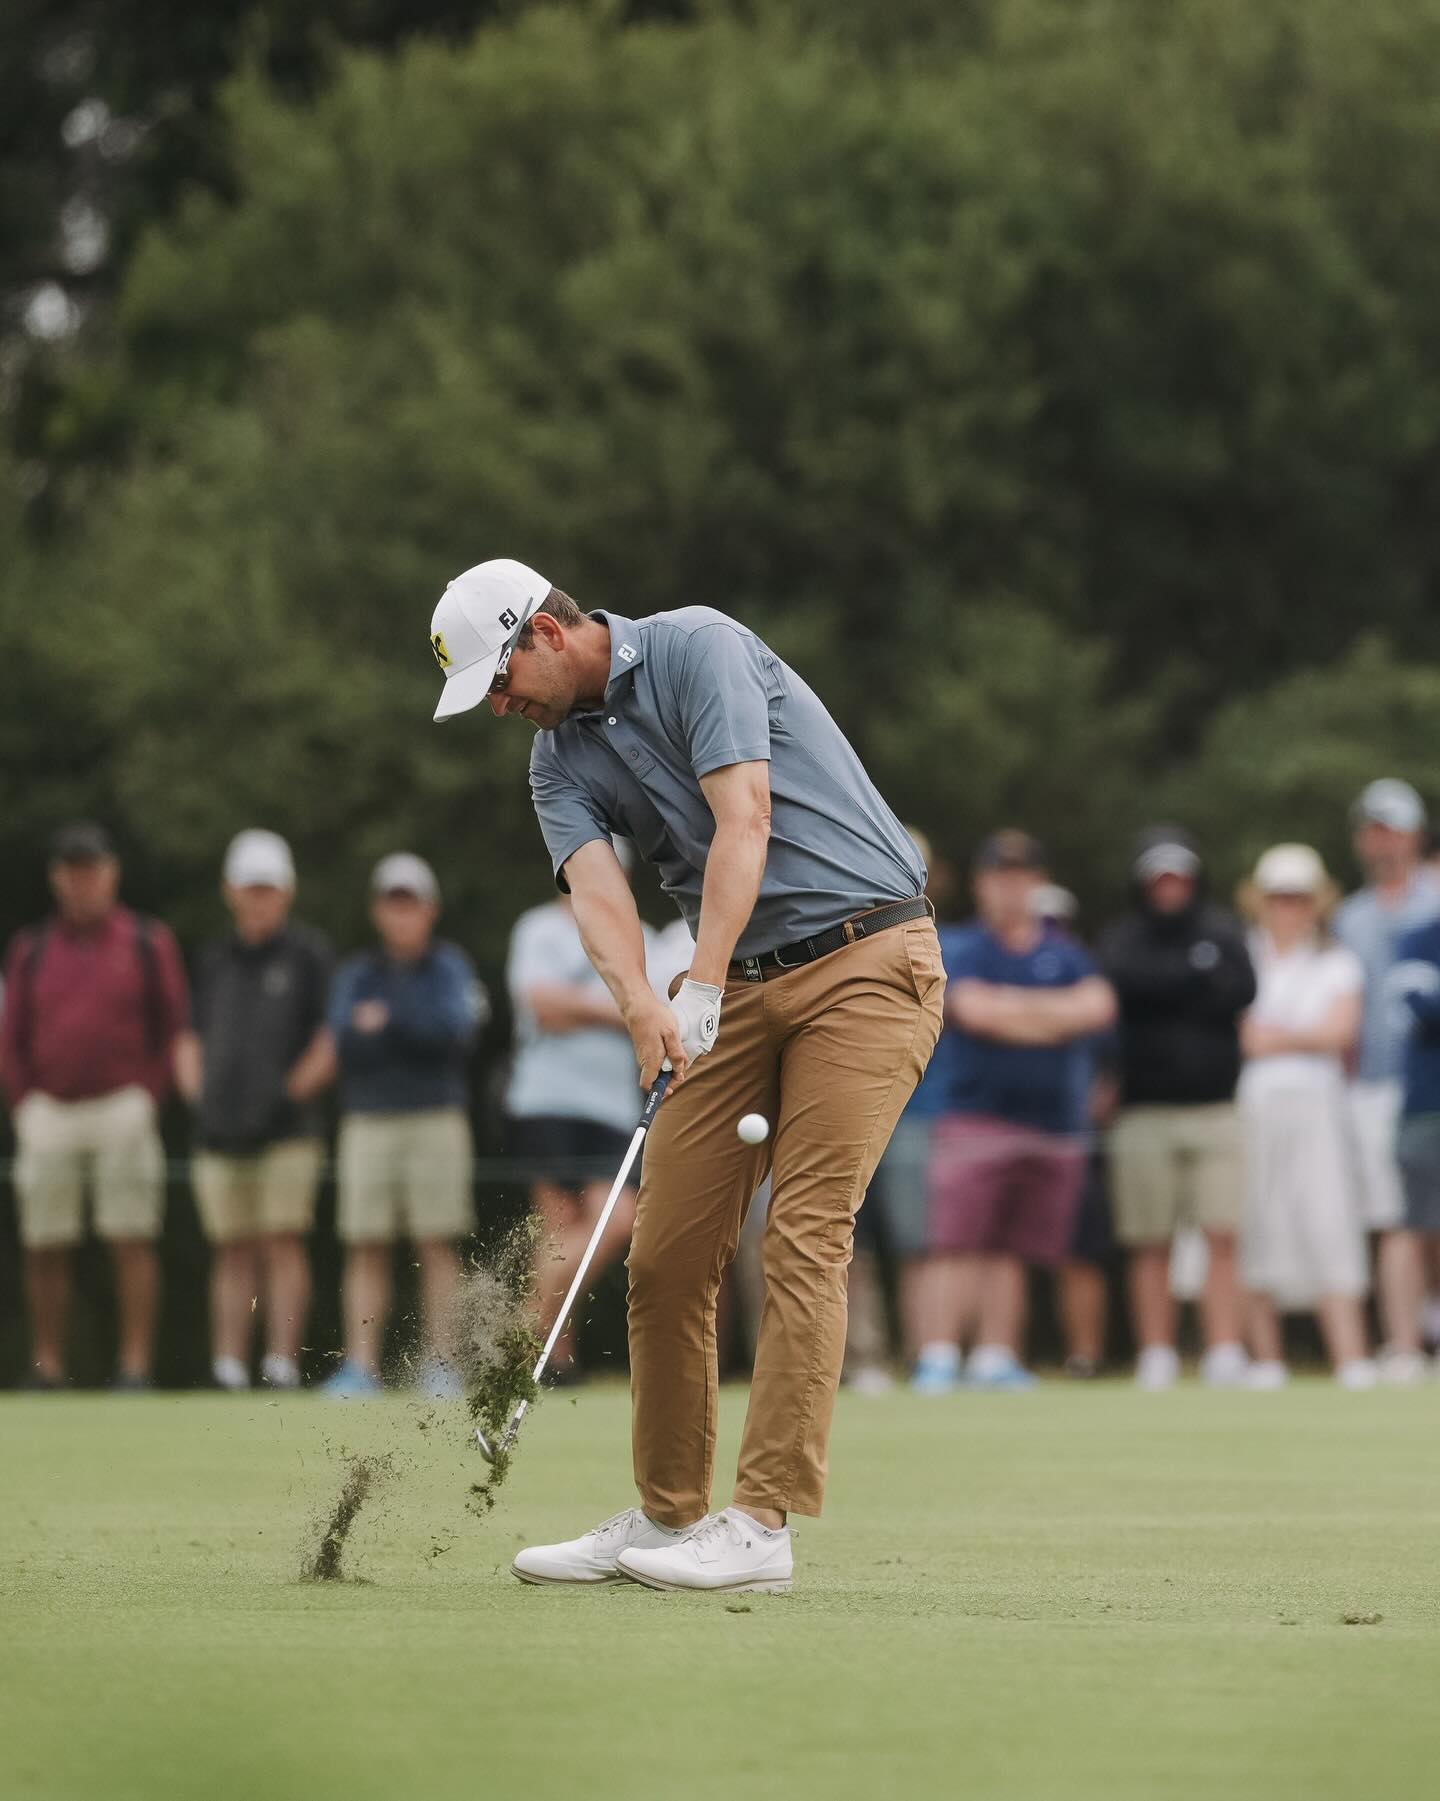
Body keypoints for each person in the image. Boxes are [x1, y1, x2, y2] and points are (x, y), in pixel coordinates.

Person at [428, 558, 943, 1593]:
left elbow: (744, 816)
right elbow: (597, 896)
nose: (500, 706)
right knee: (665, 1253)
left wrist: (699, 976)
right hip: (735, 988)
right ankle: (669, 1514)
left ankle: (760, 1524)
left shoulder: (697, 645)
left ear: (543, 633)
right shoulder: (553, 761)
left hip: (868, 959)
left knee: (805, 1230)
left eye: (500, 679)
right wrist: (644, 1008)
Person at [911, 832, 1116, 1391]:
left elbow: (1098, 1007)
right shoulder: (966, 946)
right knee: (955, 1242)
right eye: (1001, 878)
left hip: (1049, 1124)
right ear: (982, 885)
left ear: (1039, 884)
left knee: (1012, 1247)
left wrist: (1015, 1011)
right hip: (976, 1116)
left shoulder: (1063, 951)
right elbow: (975, 1012)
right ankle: (938, 1355)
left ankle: (995, 1356)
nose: (1011, 889)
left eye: (1022, 878)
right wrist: (1055, 1017)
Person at [0, 823, 188, 1389]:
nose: (83, 882)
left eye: (93, 870)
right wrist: (24, 1103)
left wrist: (147, 1096)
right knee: (44, 1243)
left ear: (111, 874)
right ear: (58, 879)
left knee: (131, 1237)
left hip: (122, 1106)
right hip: (48, 1111)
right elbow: (10, 1038)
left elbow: (172, 1028)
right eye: (72, 872)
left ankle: (134, 1368)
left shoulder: (146, 942)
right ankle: (49, 1367)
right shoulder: (30, 949)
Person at [324, 854, 487, 1399]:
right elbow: (345, 1040)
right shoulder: (356, 974)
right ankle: (361, 1367)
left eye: (410, 904)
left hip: (435, 1117)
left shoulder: (450, 967)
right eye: (392, 904)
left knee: (436, 1240)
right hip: (368, 1118)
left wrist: (388, 1020)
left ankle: (441, 1365)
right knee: (365, 1242)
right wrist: (406, 1024)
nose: (402, 915)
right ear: (377, 911)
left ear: (430, 910)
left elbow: (455, 1032)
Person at [175, 830, 334, 1391]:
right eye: (250, 888)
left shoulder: (308, 954)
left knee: (282, 1240)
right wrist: (201, 1098)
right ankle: (227, 1365)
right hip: (221, 1131)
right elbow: (191, 1038)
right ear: (230, 892)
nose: (259, 899)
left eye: (268, 888)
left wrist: (288, 1096)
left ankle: (281, 1361)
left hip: (287, 1129)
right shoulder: (215, 959)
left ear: (285, 892)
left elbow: (327, 1039)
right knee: (232, 1247)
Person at [1099, 827, 1256, 1390]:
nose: (1170, 889)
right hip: (1144, 1112)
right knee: (1150, 1238)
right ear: (1144, 883)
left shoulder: (1222, 931)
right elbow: (1123, 988)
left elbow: (1241, 991)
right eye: (1160, 879)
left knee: (1221, 1233)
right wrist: (1192, 979)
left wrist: (1163, 989)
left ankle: (1223, 1351)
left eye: (1178, 878)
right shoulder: (1123, 938)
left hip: (1215, 1107)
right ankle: (1158, 1354)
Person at [1235, 845, 1373, 1389]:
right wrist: (1300, 1037)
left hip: (1319, 1105)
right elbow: (1242, 1038)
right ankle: (1267, 1359)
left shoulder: (1338, 960)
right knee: (1257, 1218)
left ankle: (1351, 1356)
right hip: (1255, 1104)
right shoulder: (1244, 954)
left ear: (1315, 902)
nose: (1287, 907)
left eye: (1297, 897)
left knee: (1328, 1217)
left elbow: (1339, 1033)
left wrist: (1275, 1037)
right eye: (1277, 897)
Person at [504, 863, 645, 1378]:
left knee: (616, 1218)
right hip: (546, 1100)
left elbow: (655, 1013)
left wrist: (590, 1009)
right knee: (558, 1228)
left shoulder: (642, 938)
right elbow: (542, 1006)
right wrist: (623, 1009)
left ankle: (522, 1327)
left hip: (614, 1106)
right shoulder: (538, 929)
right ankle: (557, 1358)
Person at [1333, 779, 1440, 1382]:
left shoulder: (1438, 903)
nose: (1383, 841)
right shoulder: (1350, 916)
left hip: (1432, 1081)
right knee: (1395, 1219)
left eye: (1392, 829)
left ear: (1415, 835)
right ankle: (1402, 1345)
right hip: (1371, 1087)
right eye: (1372, 830)